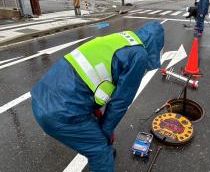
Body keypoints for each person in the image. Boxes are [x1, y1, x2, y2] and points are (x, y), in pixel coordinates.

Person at [31, 22, 164, 172]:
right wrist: (106, 134)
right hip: (59, 111)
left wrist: (100, 121)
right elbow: (120, 103)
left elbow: (87, 80)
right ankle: (102, 158)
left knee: (99, 128)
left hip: (43, 95)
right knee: (100, 151)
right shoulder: (139, 56)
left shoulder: (122, 39)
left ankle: (103, 152)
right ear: (155, 46)